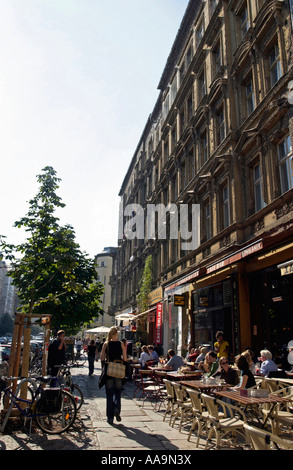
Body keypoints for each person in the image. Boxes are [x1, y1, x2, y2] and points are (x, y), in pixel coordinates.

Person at [100, 327, 127, 424]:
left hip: (109, 370)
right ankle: (116, 408)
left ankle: (110, 417)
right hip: (118, 370)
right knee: (118, 392)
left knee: (109, 393)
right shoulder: (121, 344)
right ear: (116, 334)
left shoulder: (106, 344)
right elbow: (125, 358)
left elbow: (102, 357)